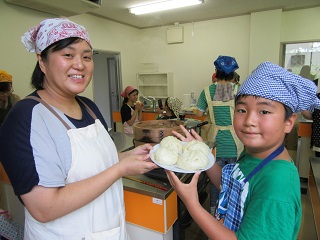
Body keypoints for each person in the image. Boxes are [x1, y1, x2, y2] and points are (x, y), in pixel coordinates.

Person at [0, 18, 158, 239]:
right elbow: (44, 208)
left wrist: (128, 157)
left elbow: (97, 165)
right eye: (68, 55)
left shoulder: (89, 107)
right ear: (42, 62)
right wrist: (120, 170)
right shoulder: (27, 117)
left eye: (86, 57)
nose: (80, 64)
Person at [166, 61, 320, 239]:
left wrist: (192, 204)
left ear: (289, 122)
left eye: (264, 111)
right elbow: (231, 187)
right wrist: (204, 154)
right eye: (241, 109)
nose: (249, 121)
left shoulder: (277, 186)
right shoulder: (252, 153)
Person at [196, 55, 243, 214]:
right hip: (236, 145)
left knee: (217, 182)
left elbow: (198, 113)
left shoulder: (207, 91)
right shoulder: (239, 90)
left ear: (216, 71)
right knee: (235, 181)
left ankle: (215, 213)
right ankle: (232, 212)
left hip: (215, 146)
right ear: (233, 74)